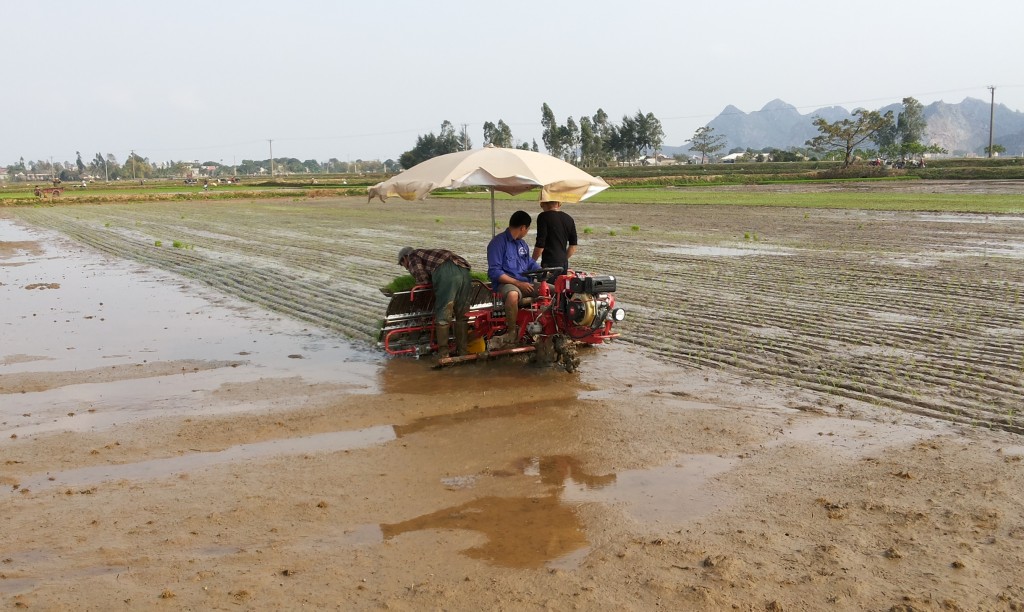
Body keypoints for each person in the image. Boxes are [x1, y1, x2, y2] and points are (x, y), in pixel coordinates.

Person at [397, 246, 472, 359]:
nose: (406, 268)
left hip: (447, 273)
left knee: (444, 314)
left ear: (404, 258)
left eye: (404, 265)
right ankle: (463, 353)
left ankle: (443, 354)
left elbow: (422, 278)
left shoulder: (412, 256)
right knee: (462, 315)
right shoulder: (426, 253)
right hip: (464, 271)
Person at [487, 210, 541, 347]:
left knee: (554, 290)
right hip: (506, 284)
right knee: (512, 295)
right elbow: (495, 272)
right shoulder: (497, 243)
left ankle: (548, 328)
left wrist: (543, 271)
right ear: (523, 227)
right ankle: (512, 332)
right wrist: (518, 283)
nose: (526, 232)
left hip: (524, 283)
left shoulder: (522, 244)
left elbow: (529, 263)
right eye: (527, 229)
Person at [531, 200, 577, 276]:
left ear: (543, 203)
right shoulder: (569, 219)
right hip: (563, 263)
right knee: (560, 286)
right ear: (559, 203)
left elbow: (540, 245)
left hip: (549, 263)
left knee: (548, 286)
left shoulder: (543, 217)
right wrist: (563, 259)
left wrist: (531, 262)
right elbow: (573, 246)